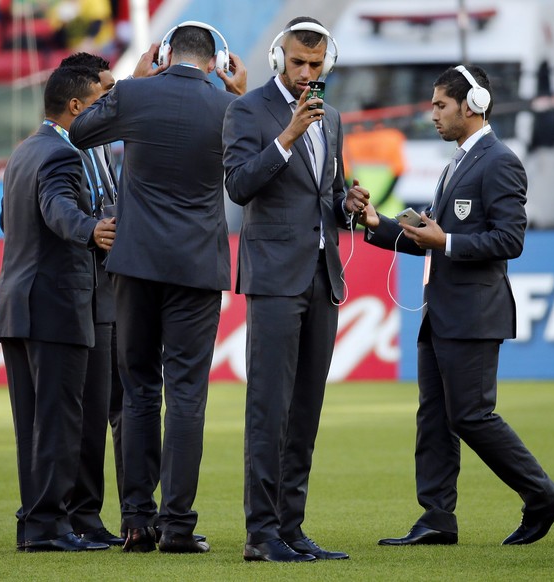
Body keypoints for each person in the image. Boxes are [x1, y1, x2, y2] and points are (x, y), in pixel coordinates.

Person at [358, 64, 554, 546]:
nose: (431, 113)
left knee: (471, 415)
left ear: (471, 105)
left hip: (473, 312)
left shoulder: (499, 160)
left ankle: (543, 496)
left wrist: (448, 240)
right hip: (443, 312)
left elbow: (510, 239)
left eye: (439, 105)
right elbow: (431, 238)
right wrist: (375, 223)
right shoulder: (458, 160)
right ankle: (437, 518)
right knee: (434, 416)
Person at [69, 22, 247, 553]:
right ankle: (177, 527)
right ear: (217, 62)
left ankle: (137, 523)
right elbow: (269, 147)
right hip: (196, 268)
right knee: (187, 395)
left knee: (140, 393)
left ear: (165, 54)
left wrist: (130, 80)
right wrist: (241, 93)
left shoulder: (136, 92)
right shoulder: (230, 108)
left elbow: (78, 133)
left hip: (135, 265)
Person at [222, 16, 369, 562]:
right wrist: (285, 137)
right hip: (274, 279)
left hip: (322, 274)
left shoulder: (330, 118)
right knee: (269, 408)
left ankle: (292, 527)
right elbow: (238, 186)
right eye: (299, 63)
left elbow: (328, 195)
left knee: (305, 408)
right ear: (279, 59)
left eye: (316, 64)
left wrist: (348, 206)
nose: (308, 73)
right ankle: (261, 534)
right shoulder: (246, 110)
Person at [0, 65, 116, 552]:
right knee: (61, 421)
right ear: (76, 108)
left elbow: (8, 217)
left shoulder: (23, 151)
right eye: (99, 103)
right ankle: (49, 526)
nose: (106, 111)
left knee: (33, 424)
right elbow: (58, 207)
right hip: (55, 307)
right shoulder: (65, 156)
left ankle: (34, 521)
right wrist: (90, 230)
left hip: (15, 306)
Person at [57, 53, 124, 547]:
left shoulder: (103, 149)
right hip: (80, 293)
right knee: (84, 409)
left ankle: (136, 511)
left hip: (116, 289)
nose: (113, 104)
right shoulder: (59, 150)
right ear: (80, 99)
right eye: (106, 94)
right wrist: (90, 231)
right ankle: (80, 513)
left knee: (124, 405)